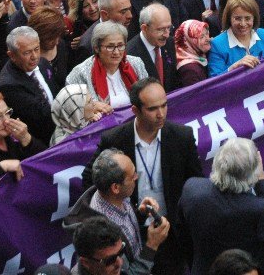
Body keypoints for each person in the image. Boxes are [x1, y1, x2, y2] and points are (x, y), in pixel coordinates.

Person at [82, 78, 202, 274]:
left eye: (164, 105)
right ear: (135, 110)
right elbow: (90, 178)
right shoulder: (115, 139)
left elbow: (196, 182)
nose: (161, 114)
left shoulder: (182, 136)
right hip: (131, 234)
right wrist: (117, 208)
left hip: (172, 233)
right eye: (153, 108)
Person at [176, 138, 264, 275]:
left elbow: (181, 233)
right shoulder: (258, 209)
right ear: (251, 172)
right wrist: (261, 180)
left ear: (217, 162)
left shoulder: (192, 189)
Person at [64, 150, 171, 265]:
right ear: (115, 187)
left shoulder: (113, 195)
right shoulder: (102, 235)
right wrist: (152, 245)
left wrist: (140, 214)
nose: (136, 177)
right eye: (132, 176)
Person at [208, 0, 264, 76]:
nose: (243, 24)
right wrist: (234, 67)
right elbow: (213, 82)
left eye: (247, 18)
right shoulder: (217, 44)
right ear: (229, 18)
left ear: (254, 18)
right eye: (237, 18)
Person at [127, 3, 177, 91]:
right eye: (160, 29)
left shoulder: (169, 43)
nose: (166, 34)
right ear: (144, 28)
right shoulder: (130, 54)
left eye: (168, 27)